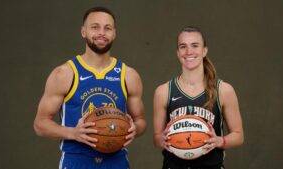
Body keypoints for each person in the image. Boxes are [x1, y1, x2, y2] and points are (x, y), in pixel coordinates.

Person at [34, 7, 146, 169]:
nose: (102, 32)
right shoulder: (64, 73)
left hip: (116, 161)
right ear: (83, 32)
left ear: (114, 33)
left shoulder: (128, 75)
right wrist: (73, 133)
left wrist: (135, 129)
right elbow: (40, 124)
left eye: (107, 28)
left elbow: (141, 121)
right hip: (77, 160)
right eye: (95, 27)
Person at [153, 26, 244, 169]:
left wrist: (219, 141)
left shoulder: (223, 90)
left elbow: (238, 135)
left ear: (204, 51)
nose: (189, 52)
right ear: (178, 53)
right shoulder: (163, 91)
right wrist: (162, 140)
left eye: (195, 45)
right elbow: (157, 138)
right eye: (183, 47)